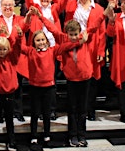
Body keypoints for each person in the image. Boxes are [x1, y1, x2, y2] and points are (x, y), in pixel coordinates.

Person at [20, 11, 81, 150]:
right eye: (38, 40)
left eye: (43, 40)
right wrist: (23, 28)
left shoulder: (52, 51)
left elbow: (68, 45)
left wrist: (80, 39)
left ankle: (47, 136)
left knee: (47, 114)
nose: (41, 42)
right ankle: (34, 137)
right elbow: (18, 45)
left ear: (46, 41)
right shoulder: (31, 52)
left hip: (49, 88)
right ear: (33, 42)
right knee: (35, 114)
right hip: (35, 87)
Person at [63, 0, 106, 121]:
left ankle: (90, 109)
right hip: (74, 45)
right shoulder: (71, 5)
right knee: (76, 76)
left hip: (92, 45)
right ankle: (76, 109)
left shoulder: (98, 8)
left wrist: (100, 51)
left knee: (91, 78)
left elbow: (101, 31)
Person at [0, 25, 23, 150]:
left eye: (4, 49)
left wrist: (16, 37)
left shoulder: (12, 58)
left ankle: (12, 141)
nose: (2, 52)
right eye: (0, 49)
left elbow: (17, 48)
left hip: (10, 93)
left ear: (8, 49)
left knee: (9, 119)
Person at [57, 20, 90, 147]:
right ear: (67, 34)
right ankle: (72, 135)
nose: (74, 37)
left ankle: (82, 135)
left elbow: (96, 24)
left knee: (82, 109)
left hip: (85, 78)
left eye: (76, 34)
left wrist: (109, 9)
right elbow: (53, 30)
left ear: (79, 33)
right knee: (72, 108)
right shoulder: (65, 44)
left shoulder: (84, 40)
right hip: (71, 79)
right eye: (71, 35)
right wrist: (80, 41)